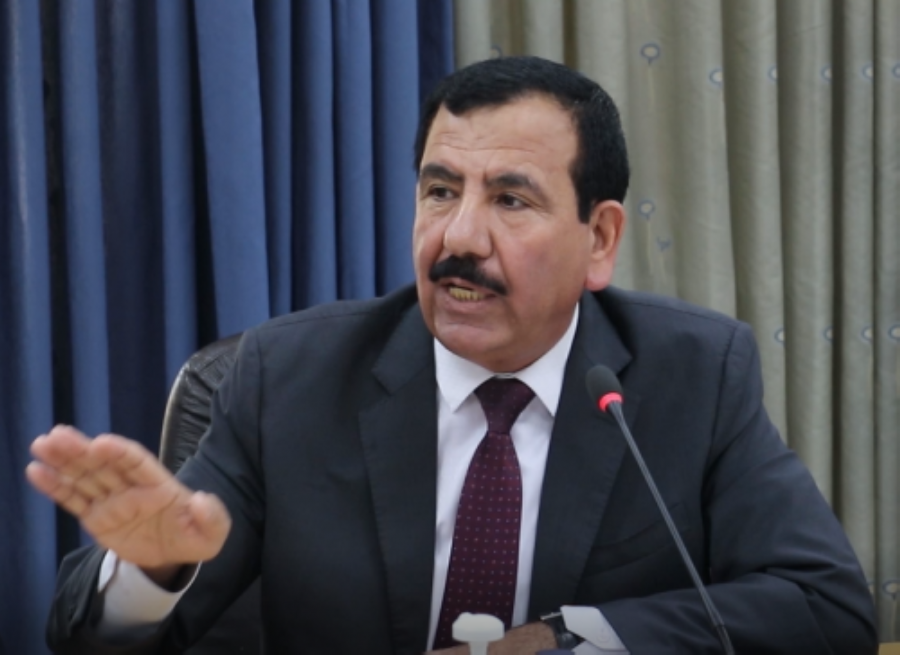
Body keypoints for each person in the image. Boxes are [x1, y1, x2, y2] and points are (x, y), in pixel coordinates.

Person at [28, 56, 877, 654]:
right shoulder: (286, 379)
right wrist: (153, 564)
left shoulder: (693, 373)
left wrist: (574, 638)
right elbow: (82, 636)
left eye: (510, 199)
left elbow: (826, 605)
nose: (459, 237)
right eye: (440, 190)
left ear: (599, 238)